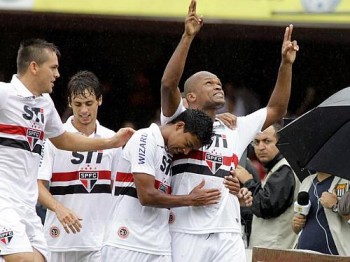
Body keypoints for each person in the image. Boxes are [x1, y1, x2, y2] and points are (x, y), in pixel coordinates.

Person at [160, 0, 299, 261]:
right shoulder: (179, 121)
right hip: (186, 231)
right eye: (209, 83)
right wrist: (188, 37)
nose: (218, 86)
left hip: (229, 232)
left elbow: (277, 109)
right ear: (189, 96)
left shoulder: (234, 126)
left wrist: (285, 65)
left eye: (219, 83)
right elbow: (168, 84)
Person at [0, 39, 133, 262]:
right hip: (3, 199)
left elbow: (63, 140)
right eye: (53, 67)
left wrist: (111, 142)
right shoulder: (4, 94)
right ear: (34, 67)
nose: (57, 74)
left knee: (39, 259)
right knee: (23, 259)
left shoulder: (44, 104)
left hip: (27, 205)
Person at [102, 109, 222, 261]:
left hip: (160, 246)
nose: (186, 152)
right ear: (179, 126)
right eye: (188, 144)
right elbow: (146, 196)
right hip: (126, 242)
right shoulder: (145, 138)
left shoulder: (171, 151)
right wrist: (190, 199)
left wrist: (218, 118)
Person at [37, 70, 122, 261]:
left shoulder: (113, 139)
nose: (84, 110)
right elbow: (37, 185)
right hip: (58, 239)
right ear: (69, 103)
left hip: (99, 242)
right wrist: (59, 208)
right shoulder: (53, 139)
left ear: (99, 100)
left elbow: (120, 192)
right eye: (78, 104)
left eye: (89, 103)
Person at [235, 123, 300, 249]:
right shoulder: (276, 168)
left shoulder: (284, 169)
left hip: (274, 250)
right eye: (256, 142)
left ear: (280, 142)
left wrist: (248, 181)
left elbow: (266, 206)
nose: (261, 147)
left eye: (267, 141)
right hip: (269, 249)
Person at [292, 172, 350, 256]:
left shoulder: (346, 180)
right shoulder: (307, 181)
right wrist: (296, 224)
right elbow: (297, 227)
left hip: (336, 255)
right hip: (302, 253)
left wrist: (335, 206)